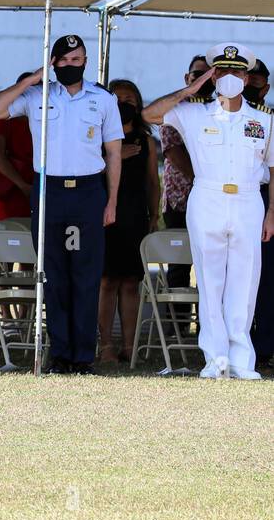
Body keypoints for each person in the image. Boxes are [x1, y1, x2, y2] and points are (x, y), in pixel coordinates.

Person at [0, 34, 122, 375]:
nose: (70, 66)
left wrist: (112, 202)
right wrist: (32, 79)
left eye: (77, 60)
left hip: (89, 191)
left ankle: (82, 356)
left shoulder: (103, 99)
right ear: (53, 63)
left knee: (86, 276)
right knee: (54, 275)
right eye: (63, 60)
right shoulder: (37, 96)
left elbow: (114, 153)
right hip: (50, 190)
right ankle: (60, 353)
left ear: (86, 62)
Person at [143, 44, 274, 379]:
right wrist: (190, 89)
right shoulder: (193, 111)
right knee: (210, 281)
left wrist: (272, 212)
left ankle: (241, 360)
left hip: (247, 201)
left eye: (238, 72)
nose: (231, 78)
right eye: (223, 71)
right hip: (208, 197)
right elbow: (150, 114)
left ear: (247, 77)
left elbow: (273, 168)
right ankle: (214, 358)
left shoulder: (263, 118)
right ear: (213, 75)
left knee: (245, 283)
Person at [97, 79, 158, 364]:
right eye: (118, 99)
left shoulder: (145, 140)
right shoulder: (97, 137)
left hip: (135, 215)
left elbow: (152, 182)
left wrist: (154, 214)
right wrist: (114, 156)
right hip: (104, 215)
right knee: (107, 281)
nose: (124, 105)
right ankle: (106, 345)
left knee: (132, 282)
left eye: (130, 99)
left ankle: (130, 346)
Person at [159, 55, 209, 289]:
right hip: (180, 201)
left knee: (210, 266)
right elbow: (172, 151)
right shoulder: (175, 108)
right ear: (187, 78)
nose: (202, 80)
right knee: (179, 267)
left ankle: (204, 324)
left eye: (208, 75)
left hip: (212, 202)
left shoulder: (219, 109)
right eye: (197, 75)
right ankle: (174, 325)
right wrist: (202, 180)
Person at [0, 71, 36, 221]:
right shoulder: (4, 116)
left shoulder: (48, 120)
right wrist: (23, 186)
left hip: (40, 191)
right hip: (9, 190)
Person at [249, 60, 274, 369]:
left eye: (256, 82)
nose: (250, 86)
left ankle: (264, 347)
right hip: (232, 195)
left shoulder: (270, 119)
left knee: (266, 277)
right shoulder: (221, 114)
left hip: (264, 196)